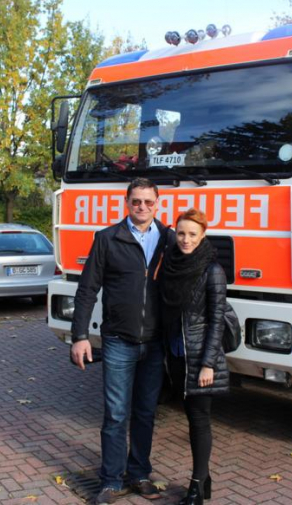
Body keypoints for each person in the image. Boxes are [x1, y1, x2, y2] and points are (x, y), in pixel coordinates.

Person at [70, 177, 173, 504]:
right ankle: (111, 480)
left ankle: (139, 473)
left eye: (148, 202)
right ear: (126, 203)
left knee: (145, 412)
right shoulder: (107, 238)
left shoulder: (169, 239)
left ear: (157, 204)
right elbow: (87, 290)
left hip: (155, 342)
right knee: (116, 413)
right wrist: (80, 336)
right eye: (136, 202)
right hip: (118, 340)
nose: (142, 207)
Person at [159, 209, 229, 505]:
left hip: (200, 357)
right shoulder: (171, 264)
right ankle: (205, 477)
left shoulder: (212, 271)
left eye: (192, 234)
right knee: (190, 417)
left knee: (199, 420)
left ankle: (196, 487)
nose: (185, 240)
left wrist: (208, 364)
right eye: (181, 233)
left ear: (203, 237)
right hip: (176, 354)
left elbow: (217, 320)